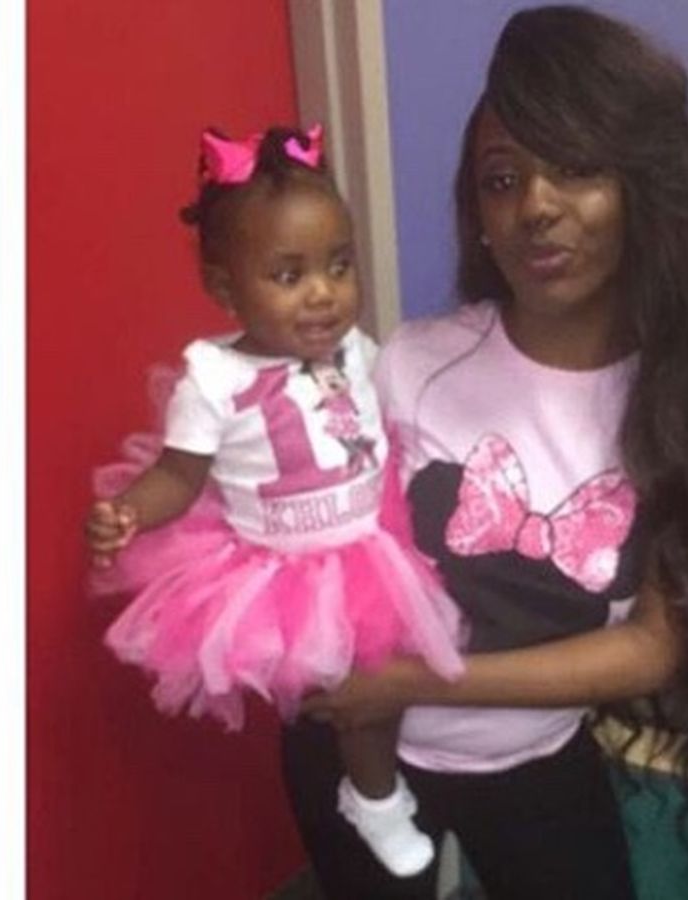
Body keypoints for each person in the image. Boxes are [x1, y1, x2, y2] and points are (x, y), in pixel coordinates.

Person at [284, 6, 688, 898]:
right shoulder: (412, 363)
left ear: (642, 189)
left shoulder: (687, 405)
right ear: (478, 213)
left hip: (534, 761)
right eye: (503, 179)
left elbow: (653, 648)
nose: (536, 207)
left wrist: (414, 681)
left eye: (576, 167)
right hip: (361, 753)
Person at [83, 123, 465, 878]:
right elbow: (178, 476)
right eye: (289, 276)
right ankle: (376, 799)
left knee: (387, 684)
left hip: (372, 548)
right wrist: (129, 510)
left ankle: (376, 788)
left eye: (339, 266)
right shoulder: (214, 380)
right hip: (285, 573)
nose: (323, 292)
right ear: (227, 289)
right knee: (354, 693)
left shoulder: (358, 349)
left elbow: (388, 425)